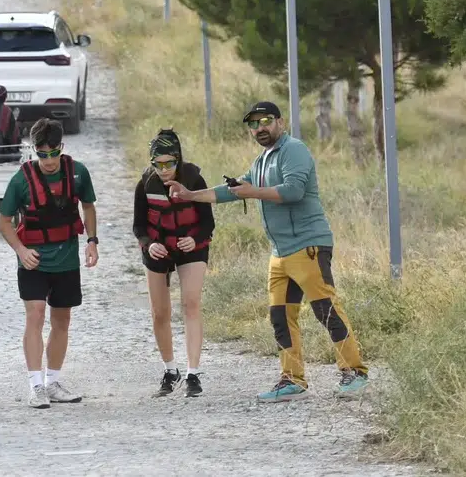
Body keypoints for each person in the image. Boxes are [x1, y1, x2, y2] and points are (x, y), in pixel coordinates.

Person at [167, 101, 370, 403]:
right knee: (280, 315)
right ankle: (292, 380)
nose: (259, 128)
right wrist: (191, 195)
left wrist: (253, 192)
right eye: (253, 124)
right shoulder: (262, 160)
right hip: (280, 252)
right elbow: (233, 190)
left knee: (325, 309)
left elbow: (293, 191)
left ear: (280, 122)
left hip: (308, 245)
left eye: (265, 121)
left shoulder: (294, 150)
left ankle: (354, 372)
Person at [0, 118, 99, 408]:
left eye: (54, 154)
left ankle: (53, 381)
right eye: (43, 155)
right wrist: (20, 250)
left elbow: (88, 207)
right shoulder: (20, 180)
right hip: (33, 261)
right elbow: (3, 222)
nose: (50, 161)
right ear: (34, 151)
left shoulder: (78, 173)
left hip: (66, 259)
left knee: (61, 320)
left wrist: (92, 241)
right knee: (35, 315)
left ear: (62, 148)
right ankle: (35, 386)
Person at [132, 128, 213, 398]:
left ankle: (193, 373)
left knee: (191, 303)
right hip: (157, 247)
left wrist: (195, 239)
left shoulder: (194, 179)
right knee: (159, 312)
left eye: (170, 163)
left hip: (191, 245)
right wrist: (148, 243)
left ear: (178, 160)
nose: (164, 169)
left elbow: (207, 224)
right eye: (158, 164)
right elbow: (138, 226)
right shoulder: (145, 184)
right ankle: (170, 370)